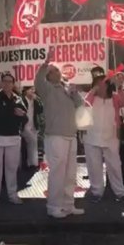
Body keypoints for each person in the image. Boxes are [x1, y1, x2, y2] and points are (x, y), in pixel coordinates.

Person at [34, 53, 85, 218]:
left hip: (71, 135)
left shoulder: (66, 88)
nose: (58, 73)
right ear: (49, 75)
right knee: (57, 172)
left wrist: (74, 93)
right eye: (54, 71)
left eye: (57, 70)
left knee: (70, 173)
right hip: (55, 136)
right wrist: (45, 63)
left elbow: (81, 105)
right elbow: (37, 81)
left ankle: (69, 205)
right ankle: (54, 206)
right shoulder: (47, 89)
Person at [83, 67, 124, 202]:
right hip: (92, 136)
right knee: (94, 165)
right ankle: (97, 192)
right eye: (98, 83)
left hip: (111, 136)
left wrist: (119, 88)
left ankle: (120, 192)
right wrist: (93, 91)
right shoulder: (91, 97)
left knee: (114, 165)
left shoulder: (114, 97)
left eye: (103, 82)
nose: (101, 85)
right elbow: (84, 105)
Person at [0, 74, 27, 208]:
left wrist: (22, 115)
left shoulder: (18, 99)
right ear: (1, 83)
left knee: (12, 168)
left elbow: (25, 118)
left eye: (10, 81)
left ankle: (12, 194)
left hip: (13, 138)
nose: (7, 84)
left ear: (13, 84)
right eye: (5, 81)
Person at [21, 86, 43, 170]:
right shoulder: (22, 100)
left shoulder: (35, 101)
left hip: (33, 125)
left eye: (33, 89)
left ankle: (32, 164)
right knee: (32, 143)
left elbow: (40, 110)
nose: (32, 91)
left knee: (33, 145)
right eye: (30, 89)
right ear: (26, 91)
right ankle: (29, 163)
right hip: (24, 125)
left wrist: (37, 99)